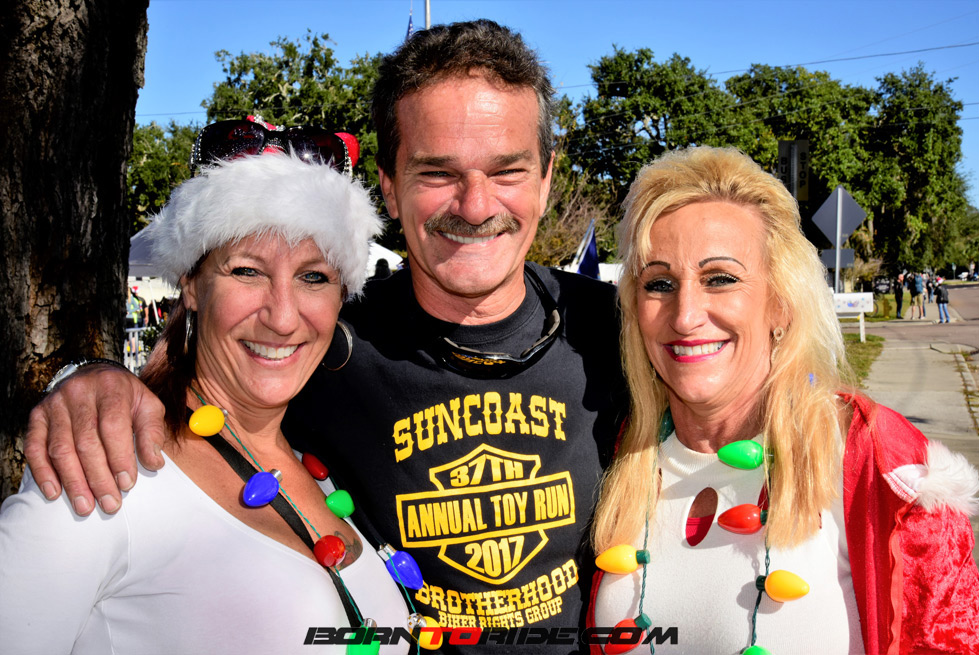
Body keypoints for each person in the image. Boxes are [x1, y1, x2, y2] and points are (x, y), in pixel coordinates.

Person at [22, 20, 627, 651]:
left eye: (506, 171)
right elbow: (207, 364)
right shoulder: (326, 347)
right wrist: (92, 378)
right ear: (389, 186)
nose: (475, 206)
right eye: (436, 172)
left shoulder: (617, 329)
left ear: (546, 178)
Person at [0, 132, 421, 652]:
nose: (282, 317)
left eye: (314, 277)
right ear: (192, 284)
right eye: (247, 271)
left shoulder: (321, 458)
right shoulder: (107, 467)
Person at [587, 146, 979, 654]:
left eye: (720, 279)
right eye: (659, 283)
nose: (685, 316)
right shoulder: (618, 450)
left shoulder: (877, 461)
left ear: (780, 302)